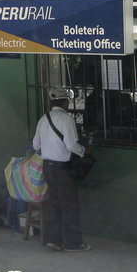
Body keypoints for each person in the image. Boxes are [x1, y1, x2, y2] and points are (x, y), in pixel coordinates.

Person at [32, 88, 91, 252]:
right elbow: (71, 145)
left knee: (54, 204)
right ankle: (73, 243)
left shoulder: (43, 119)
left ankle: (54, 240)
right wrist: (84, 151)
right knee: (70, 205)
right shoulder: (67, 120)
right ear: (66, 102)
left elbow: (36, 145)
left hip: (47, 168)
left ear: (51, 103)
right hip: (62, 169)